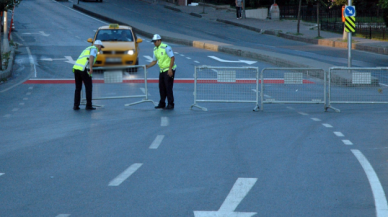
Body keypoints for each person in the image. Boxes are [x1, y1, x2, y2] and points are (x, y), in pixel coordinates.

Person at [146, 34, 177, 110]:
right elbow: (154, 61)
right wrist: (147, 66)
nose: (154, 43)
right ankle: (162, 103)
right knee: (161, 87)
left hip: (169, 69)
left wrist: (170, 69)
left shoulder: (166, 47)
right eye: (153, 42)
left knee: (168, 87)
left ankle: (171, 104)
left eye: (155, 41)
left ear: (159, 40)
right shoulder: (155, 49)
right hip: (162, 70)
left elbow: (172, 58)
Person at [72, 40, 104, 111]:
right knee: (88, 87)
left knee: (78, 88)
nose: (101, 49)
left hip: (76, 68)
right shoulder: (94, 49)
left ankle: (76, 105)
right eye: (101, 47)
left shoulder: (87, 48)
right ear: (98, 45)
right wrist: (91, 68)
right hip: (84, 69)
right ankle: (88, 105)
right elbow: (91, 57)